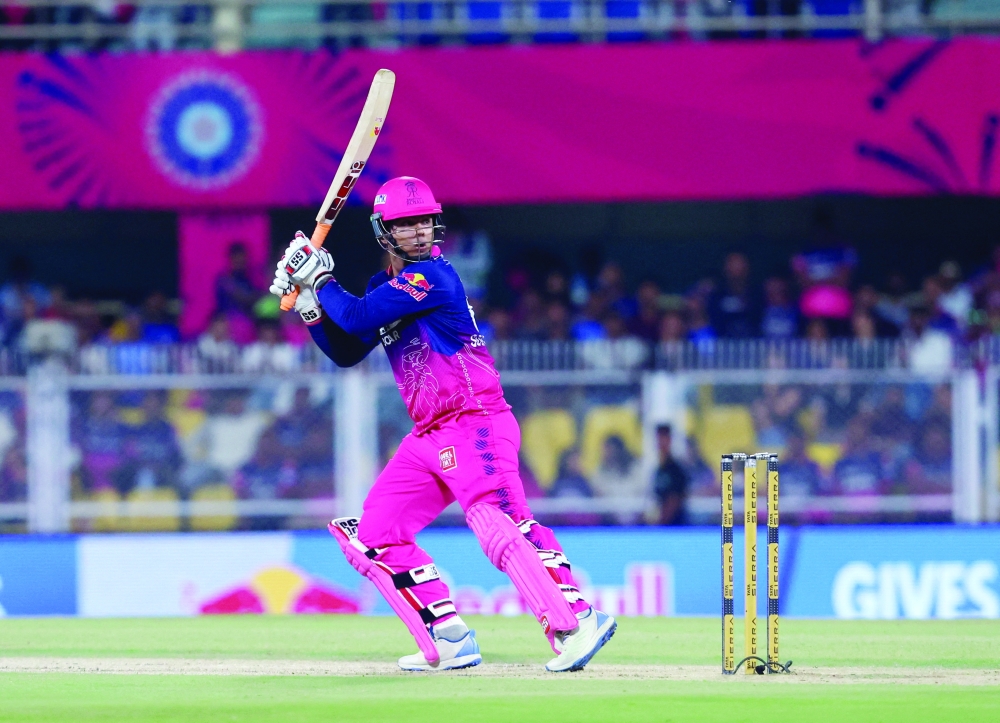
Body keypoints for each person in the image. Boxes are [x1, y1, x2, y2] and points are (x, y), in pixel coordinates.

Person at [269, 176, 615, 673]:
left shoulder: (434, 276)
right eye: (405, 224)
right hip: (430, 433)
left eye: (425, 221)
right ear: (383, 232)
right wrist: (307, 301)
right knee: (376, 533)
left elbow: (359, 314)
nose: (418, 232)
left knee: (497, 519)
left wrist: (319, 278)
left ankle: (577, 620)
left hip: (476, 421)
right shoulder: (382, 287)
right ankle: (449, 636)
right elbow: (347, 348)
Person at [652, 425, 688, 526]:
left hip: (674, 528)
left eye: (664, 438)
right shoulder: (658, 469)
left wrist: (660, 522)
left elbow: (675, 500)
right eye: (659, 439)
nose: (661, 443)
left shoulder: (676, 470)